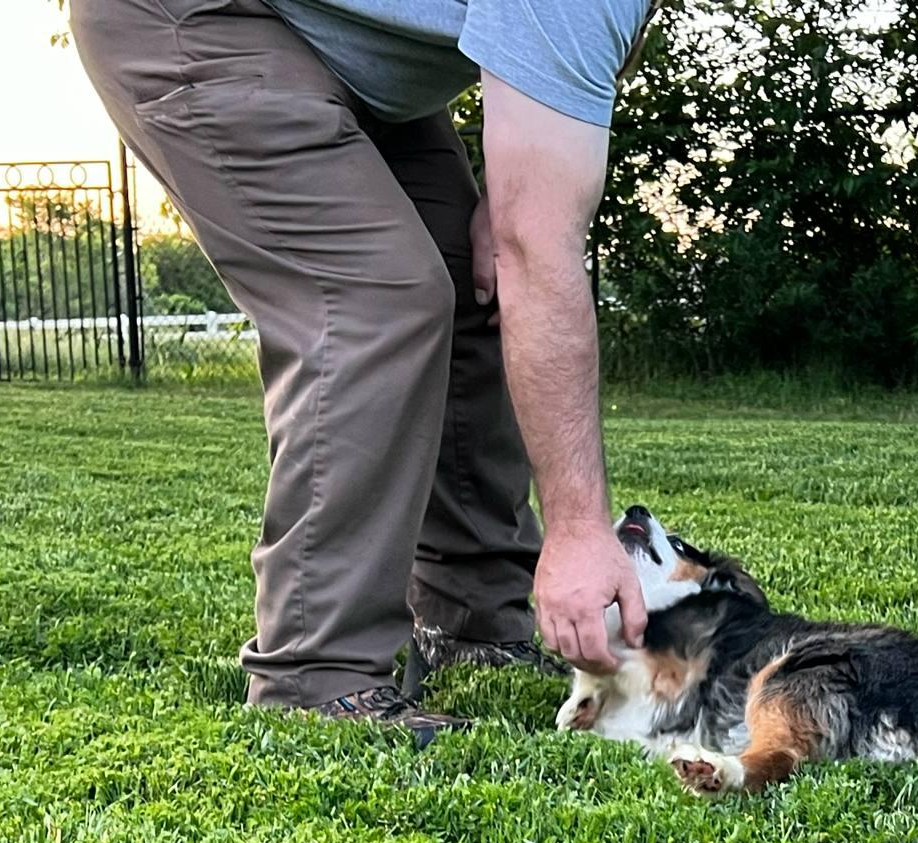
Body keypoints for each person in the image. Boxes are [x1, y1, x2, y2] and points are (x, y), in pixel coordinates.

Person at [70, 0, 655, 741]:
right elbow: (536, 251)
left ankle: (471, 626)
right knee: (377, 294)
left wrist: (515, 205)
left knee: (468, 286)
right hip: (196, 15)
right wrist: (577, 529)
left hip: (347, 56)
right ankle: (317, 676)